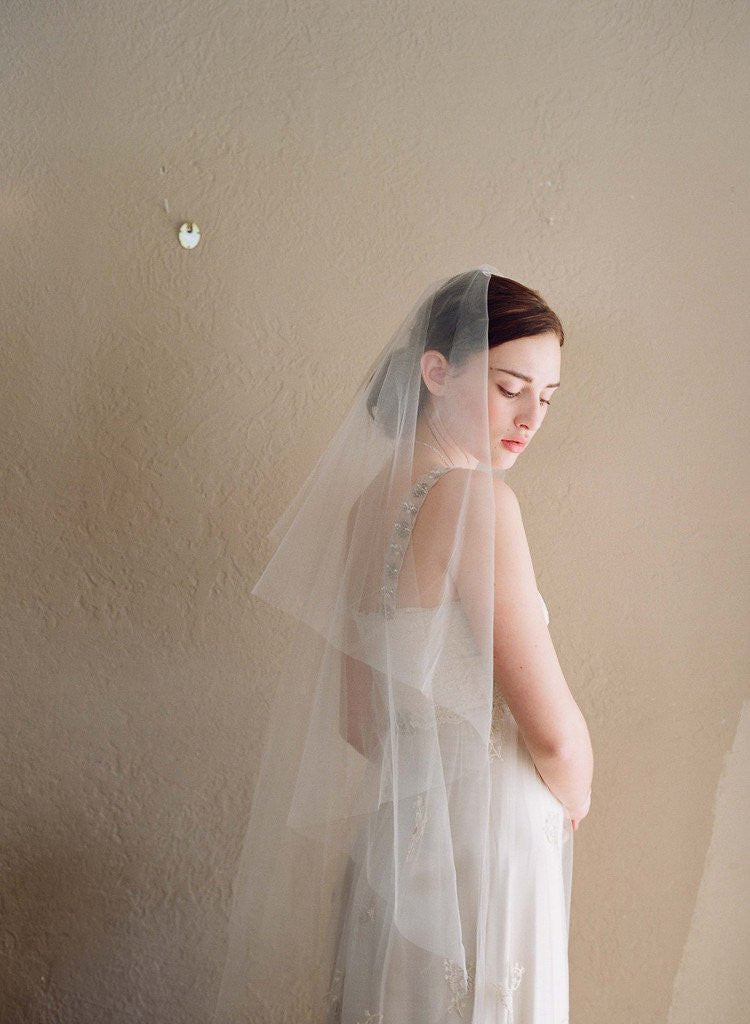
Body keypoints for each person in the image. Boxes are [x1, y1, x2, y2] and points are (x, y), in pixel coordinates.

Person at [209, 264, 594, 1024]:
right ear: (436, 372)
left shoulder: (367, 508)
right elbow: (553, 733)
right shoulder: (477, 501)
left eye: (546, 398)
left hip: (399, 836)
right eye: (510, 388)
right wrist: (574, 786)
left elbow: (360, 723)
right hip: (492, 833)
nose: (530, 418)